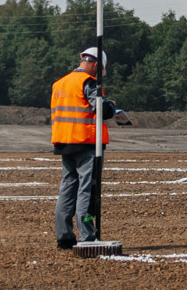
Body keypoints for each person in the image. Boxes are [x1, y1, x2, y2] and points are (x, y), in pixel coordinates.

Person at [50, 47, 131, 249]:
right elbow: (101, 108)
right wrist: (112, 107)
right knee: (87, 188)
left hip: (64, 142)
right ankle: (87, 235)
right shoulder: (87, 82)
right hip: (86, 142)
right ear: (95, 64)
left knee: (67, 188)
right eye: (99, 69)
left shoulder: (59, 84)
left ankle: (65, 236)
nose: (98, 73)